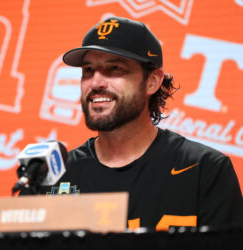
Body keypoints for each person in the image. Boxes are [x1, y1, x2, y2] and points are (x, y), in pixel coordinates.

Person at [22, 16, 243, 231]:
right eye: (88, 70)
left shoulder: (204, 170)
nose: (96, 83)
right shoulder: (51, 176)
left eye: (115, 68)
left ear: (152, 81)